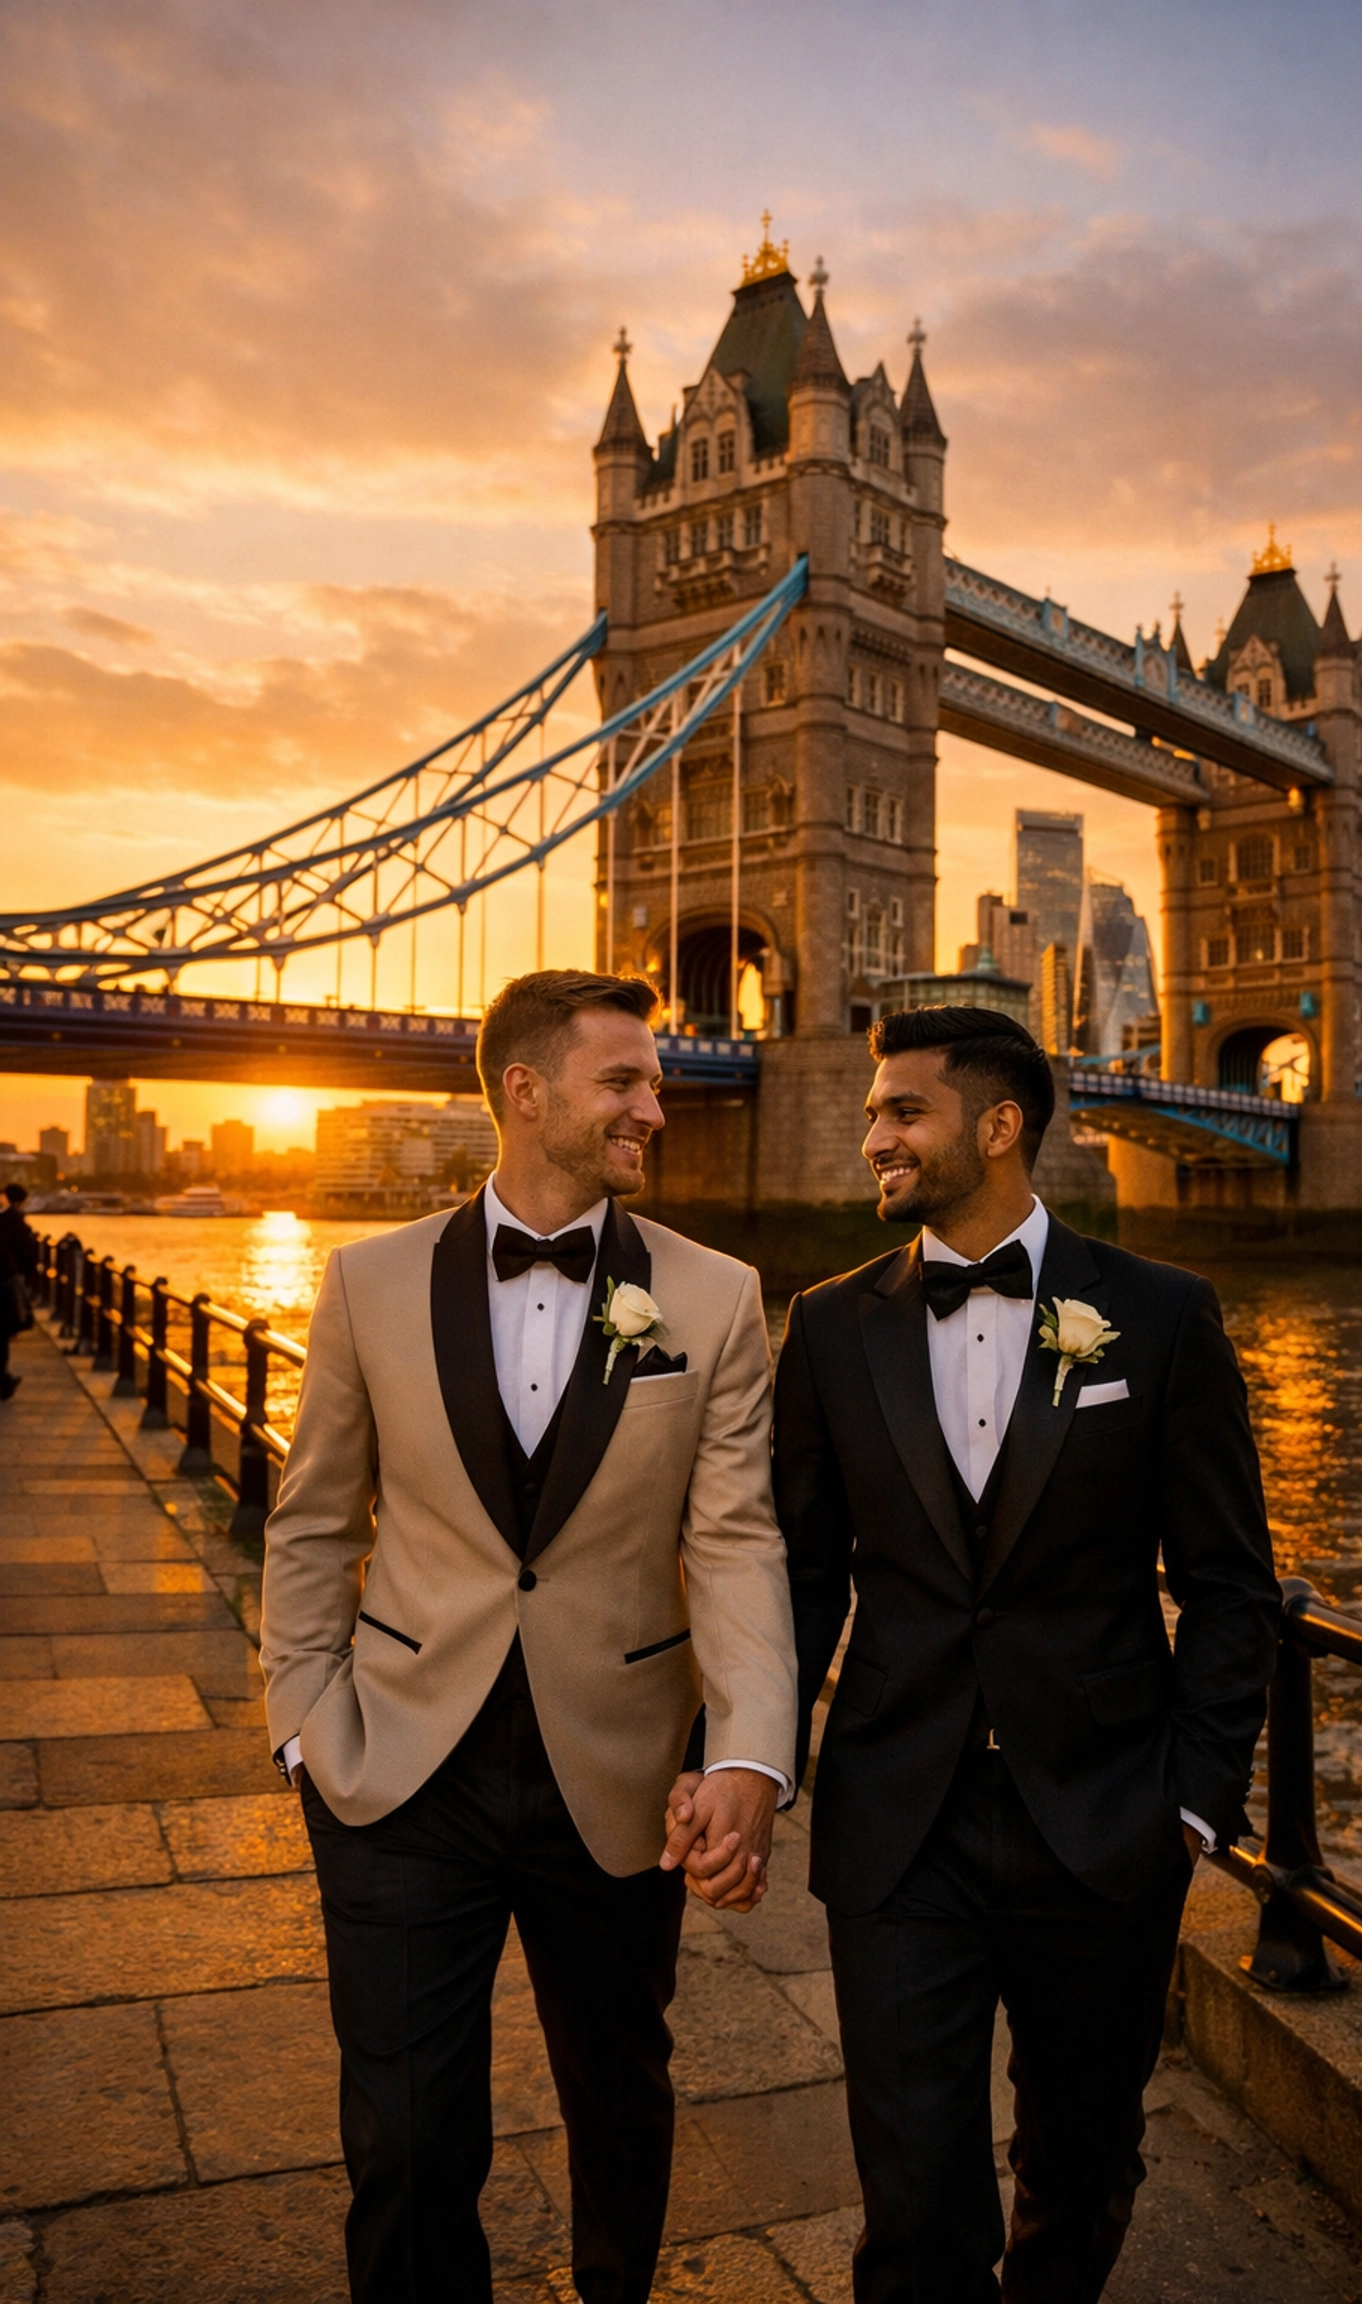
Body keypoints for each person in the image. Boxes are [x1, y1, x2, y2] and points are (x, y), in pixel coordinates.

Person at [260, 970, 798, 2304]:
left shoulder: (715, 1296)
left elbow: (733, 1540)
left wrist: (749, 1753)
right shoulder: (367, 1283)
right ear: (525, 1091)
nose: (655, 1110)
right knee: (407, 2134)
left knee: (620, 2101)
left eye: (658, 1085)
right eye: (624, 1081)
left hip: (616, 1770)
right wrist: (305, 1728)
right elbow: (316, 1521)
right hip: (396, 1763)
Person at [772, 1005, 1281, 2304]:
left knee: (1086, 2165)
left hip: (1107, 1823)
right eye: (875, 1109)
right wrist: (755, 1763)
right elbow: (802, 1575)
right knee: (914, 2199)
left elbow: (1228, 1587)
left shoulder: (1163, 1317)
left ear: (998, 1128)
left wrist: (1195, 1803)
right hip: (900, 1825)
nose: (872, 1131)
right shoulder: (831, 1327)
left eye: (902, 1111)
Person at [0, 1181, 39, 1401]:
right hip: (3, 1280)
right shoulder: (13, 1219)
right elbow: (25, 1251)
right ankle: (3, 1379)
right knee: (2, 1333)